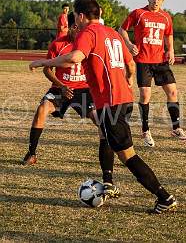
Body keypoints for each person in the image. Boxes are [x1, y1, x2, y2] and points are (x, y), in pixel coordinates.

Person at [29, 0, 177, 214]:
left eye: (76, 18)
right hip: (122, 99)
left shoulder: (89, 33)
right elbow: (129, 64)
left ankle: (164, 197)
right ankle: (108, 183)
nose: (75, 24)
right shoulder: (113, 33)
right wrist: (125, 79)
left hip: (111, 102)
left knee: (128, 156)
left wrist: (44, 62)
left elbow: (74, 58)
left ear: (80, 16)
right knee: (104, 137)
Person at [22, 12, 119, 197]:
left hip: (84, 90)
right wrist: (61, 85)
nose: (76, 28)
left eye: (77, 25)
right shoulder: (59, 43)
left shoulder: (90, 40)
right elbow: (47, 69)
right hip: (61, 88)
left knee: (102, 122)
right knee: (42, 109)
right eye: (73, 26)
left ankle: (110, 169)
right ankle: (31, 153)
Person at [118, 0, 186, 148]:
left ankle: (176, 128)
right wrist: (129, 44)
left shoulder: (166, 16)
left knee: (172, 92)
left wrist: (170, 49)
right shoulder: (138, 13)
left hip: (160, 61)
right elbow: (122, 29)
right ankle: (145, 130)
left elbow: (169, 34)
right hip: (143, 60)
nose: (155, 1)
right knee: (145, 95)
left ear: (162, 0)